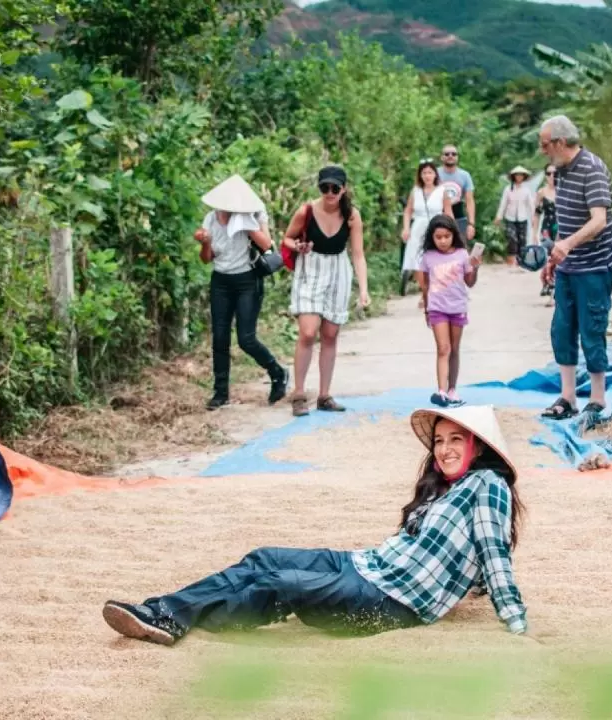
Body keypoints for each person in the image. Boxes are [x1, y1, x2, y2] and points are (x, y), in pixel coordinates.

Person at [101, 404, 528, 645]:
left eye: (457, 439)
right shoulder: (445, 488)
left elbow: (494, 552)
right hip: (365, 566)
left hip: (388, 602)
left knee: (279, 584)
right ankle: (160, 611)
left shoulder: (487, 483)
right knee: (264, 557)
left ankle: (178, 620)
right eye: (440, 439)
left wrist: (515, 622)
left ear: (479, 447)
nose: (445, 449)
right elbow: (447, 553)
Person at [538, 115, 612, 420]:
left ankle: (597, 399)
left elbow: (598, 220)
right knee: (562, 328)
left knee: (592, 328)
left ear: (560, 143)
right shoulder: (559, 172)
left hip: (595, 266)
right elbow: (566, 220)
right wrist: (553, 260)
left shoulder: (593, 168)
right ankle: (567, 397)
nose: (543, 151)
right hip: (569, 267)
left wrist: (568, 246)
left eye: (545, 144)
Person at [281, 166, 370, 417]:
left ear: (344, 189)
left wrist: (363, 289)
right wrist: (297, 245)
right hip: (310, 269)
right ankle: (299, 393)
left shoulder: (352, 215)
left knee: (330, 334)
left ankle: (324, 394)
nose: (330, 193)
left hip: (338, 271)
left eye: (335, 188)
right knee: (308, 332)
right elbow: (286, 238)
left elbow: (358, 255)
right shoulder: (306, 211)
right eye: (325, 188)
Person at [195, 175, 289, 411]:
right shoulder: (210, 219)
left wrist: (246, 225)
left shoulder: (253, 214)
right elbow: (207, 259)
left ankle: (277, 372)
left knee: (246, 338)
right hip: (221, 281)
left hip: (247, 279)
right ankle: (221, 392)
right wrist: (205, 242)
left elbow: (267, 244)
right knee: (219, 337)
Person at [419, 215, 481, 408]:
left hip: (457, 308)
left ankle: (452, 389)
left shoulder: (462, 255)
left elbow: (469, 282)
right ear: (432, 237)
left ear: (454, 235)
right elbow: (425, 285)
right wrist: (427, 310)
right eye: (438, 237)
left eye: (447, 236)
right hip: (437, 309)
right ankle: (441, 391)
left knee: (454, 349)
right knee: (443, 348)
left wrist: (475, 268)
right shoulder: (428, 257)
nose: (443, 241)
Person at [401, 159, 454, 307]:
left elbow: (448, 212)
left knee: (435, 261)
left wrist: (451, 230)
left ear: (435, 174)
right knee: (416, 261)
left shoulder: (442, 191)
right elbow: (408, 211)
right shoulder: (415, 191)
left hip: (437, 227)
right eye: (424, 173)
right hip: (418, 227)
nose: (427, 175)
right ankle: (425, 291)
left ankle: (434, 292)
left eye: (430, 172)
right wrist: (406, 228)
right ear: (420, 175)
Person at [493, 165, 535, 266]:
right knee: (511, 238)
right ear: (514, 176)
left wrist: (533, 217)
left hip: (522, 218)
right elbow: (503, 203)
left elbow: (531, 205)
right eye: (517, 175)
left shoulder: (526, 190)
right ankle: (511, 259)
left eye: (521, 175)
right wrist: (499, 216)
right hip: (510, 217)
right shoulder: (508, 189)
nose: (519, 177)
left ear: (524, 177)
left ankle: (521, 260)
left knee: (522, 239)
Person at [437, 144, 477, 243]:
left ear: (457, 157)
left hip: (459, 216)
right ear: (442, 157)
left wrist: (471, 224)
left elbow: (469, 200)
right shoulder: (435, 173)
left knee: (460, 248)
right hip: (438, 216)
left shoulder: (465, 175)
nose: (450, 156)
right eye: (447, 154)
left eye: (454, 154)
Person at [533, 164, 559, 297]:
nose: (552, 176)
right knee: (546, 254)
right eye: (549, 173)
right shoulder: (541, 192)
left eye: (555, 173)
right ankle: (546, 282)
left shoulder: (563, 191)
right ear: (545, 175)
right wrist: (534, 233)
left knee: (558, 255)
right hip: (546, 227)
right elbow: (537, 213)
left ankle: (555, 282)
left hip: (560, 227)